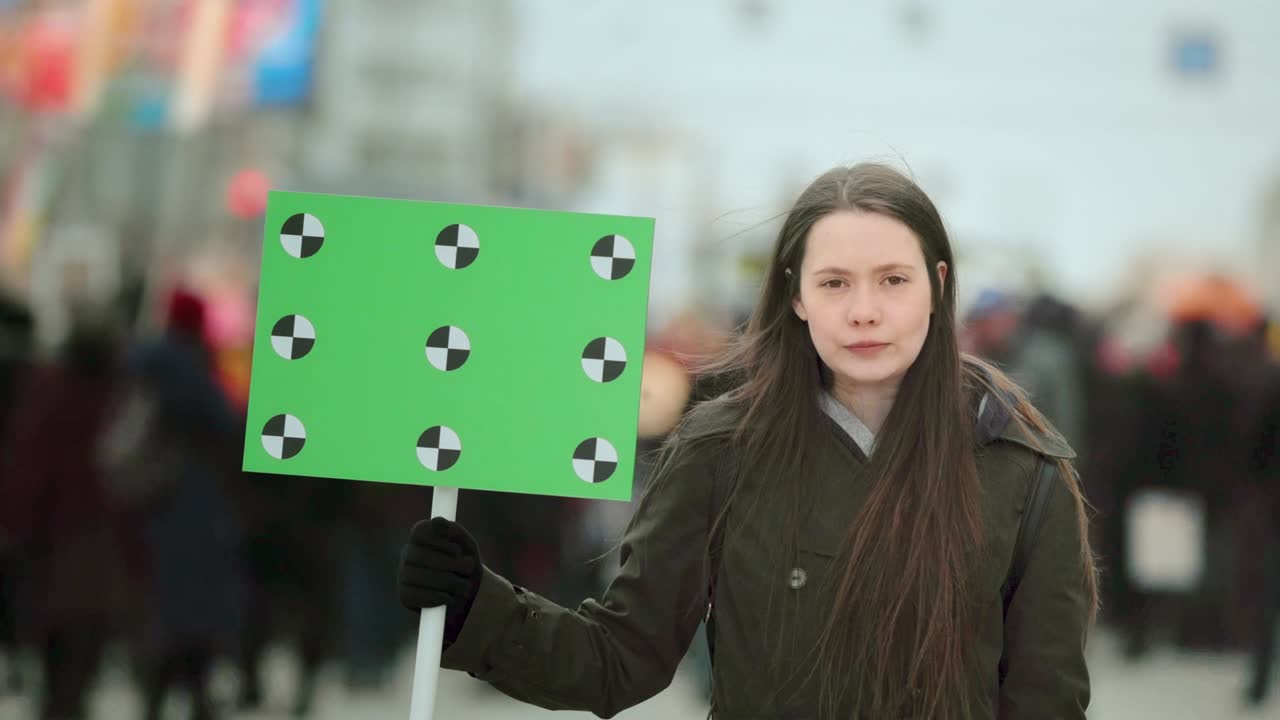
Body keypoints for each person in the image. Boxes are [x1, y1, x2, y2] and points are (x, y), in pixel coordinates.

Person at [398, 163, 1099, 719]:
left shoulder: (1022, 470)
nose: (864, 311)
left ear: (937, 287)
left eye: (892, 280)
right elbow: (618, 659)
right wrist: (475, 606)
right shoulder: (723, 451)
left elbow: (1048, 703)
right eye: (834, 283)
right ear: (796, 296)